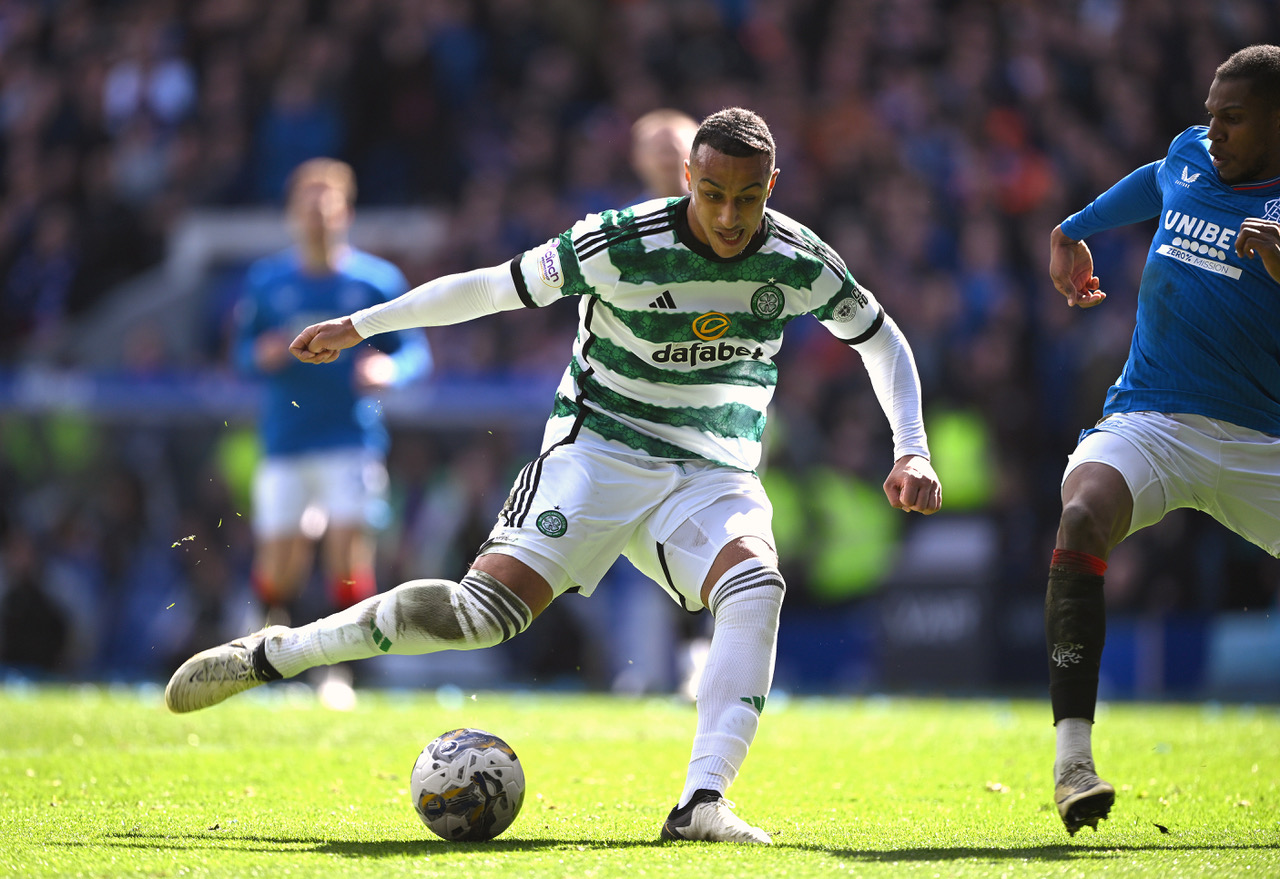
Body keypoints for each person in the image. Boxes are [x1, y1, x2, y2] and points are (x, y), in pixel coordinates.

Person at [167, 108, 942, 843]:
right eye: (712, 193)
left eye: (747, 197)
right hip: (597, 453)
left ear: (771, 186)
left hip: (712, 470)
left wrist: (911, 447)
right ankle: (278, 652)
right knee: (479, 615)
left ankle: (702, 800)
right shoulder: (616, 242)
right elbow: (490, 287)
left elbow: (882, 339)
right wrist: (362, 326)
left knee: (757, 584)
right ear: (687, 178)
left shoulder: (799, 259)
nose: (729, 215)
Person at [1044, 44, 1280, 836]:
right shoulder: (1192, 153)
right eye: (1211, 115)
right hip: (1153, 419)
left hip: (1264, 440)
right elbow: (1156, 177)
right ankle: (1073, 763)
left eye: (1233, 119)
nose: (1214, 132)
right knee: (1082, 514)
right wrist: (1074, 227)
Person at [230, 157, 431, 706]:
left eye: (328, 204)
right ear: (292, 214)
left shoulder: (375, 281)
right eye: (308, 205)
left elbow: (414, 350)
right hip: (286, 439)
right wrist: (260, 355)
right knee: (282, 561)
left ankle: (339, 672)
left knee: (347, 552)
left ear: (346, 212)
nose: (318, 216)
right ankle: (261, 661)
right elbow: (241, 354)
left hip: (350, 439)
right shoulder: (268, 281)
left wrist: (390, 369)